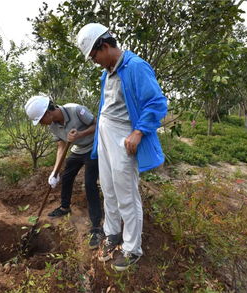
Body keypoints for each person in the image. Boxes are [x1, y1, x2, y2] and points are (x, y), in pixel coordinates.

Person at [75, 23, 168, 271]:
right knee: (109, 189)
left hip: (122, 137)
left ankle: (132, 248)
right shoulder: (108, 71)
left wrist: (138, 132)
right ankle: (112, 233)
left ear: (104, 46)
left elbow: (157, 102)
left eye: (94, 56)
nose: (95, 61)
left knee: (126, 193)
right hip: (105, 137)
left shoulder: (135, 66)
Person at [24, 95, 104, 249]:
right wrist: (54, 172)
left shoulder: (76, 110)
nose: (41, 124)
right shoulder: (53, 126)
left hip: (94, 148)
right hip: (78, 149)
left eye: (41, 120)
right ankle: (64, 207)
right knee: (66, 177)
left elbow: (98, 125)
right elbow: (61, 146)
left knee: (89, 184)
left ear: (48, 113)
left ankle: (96, 227)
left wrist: (80, 134)